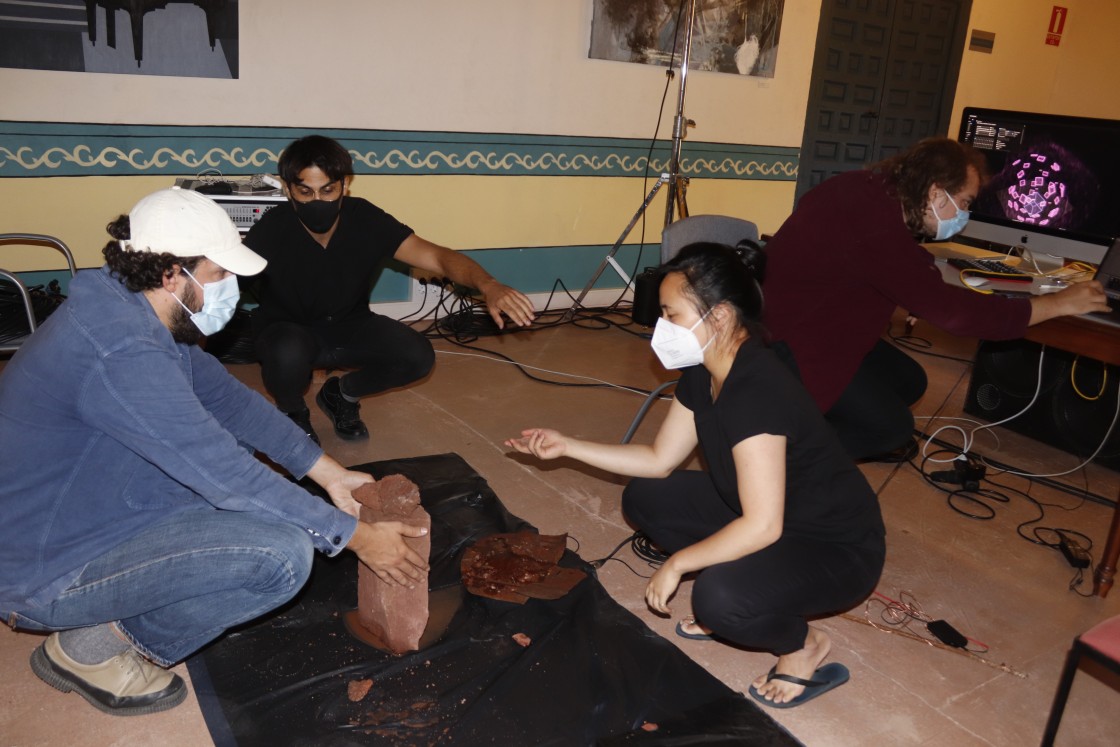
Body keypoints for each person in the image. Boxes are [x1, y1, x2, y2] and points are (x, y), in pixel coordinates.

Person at [0, 188, 429, 717]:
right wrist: (358, 538)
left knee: (248, 486)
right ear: (171, 274)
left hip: (87, 505)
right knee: (279, 557)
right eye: (220, 274)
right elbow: (228, 476)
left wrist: (329, 472)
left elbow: (228, 401)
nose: (233, 290)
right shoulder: (122, 352)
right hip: (45, 568)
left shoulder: (132, 309)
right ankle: (87, 650)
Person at [506, 242, 885, 708]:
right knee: (646, 496)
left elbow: (764, 525)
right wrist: (568, 446)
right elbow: (660, 459)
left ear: (721, 316)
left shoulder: (757, 390)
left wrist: (679, 564)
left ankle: (802, 647)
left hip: (834, 544)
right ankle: (747, 577)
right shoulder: (704, 368)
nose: (661, 328)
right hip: (768, 514)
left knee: (719, 599)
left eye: (672, 315)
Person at [762, 137, 1110, 461]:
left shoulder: (864, 190)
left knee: (909, 381)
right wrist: (1058, 304)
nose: (965, 215)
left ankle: (821, 429)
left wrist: (926, 274)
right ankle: (781, 453)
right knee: (892, 428)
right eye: (965, 203)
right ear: (935, 192)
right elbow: (954, 316)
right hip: (796, 345)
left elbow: (897, 264)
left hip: (802, 323)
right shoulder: (878, 227)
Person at [245, 134, 535, 443]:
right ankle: (293, 413)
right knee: (286, 352)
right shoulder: (273, 226)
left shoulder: (365, 219)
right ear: (289, 189)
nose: (318, 200)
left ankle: (342, 395)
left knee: (417, 356)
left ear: (345, 185)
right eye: (306, 191)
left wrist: (488, 284)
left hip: (349, 326)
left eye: (328, 190)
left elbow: (437, 256)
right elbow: (224, 280)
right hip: (288, 330)